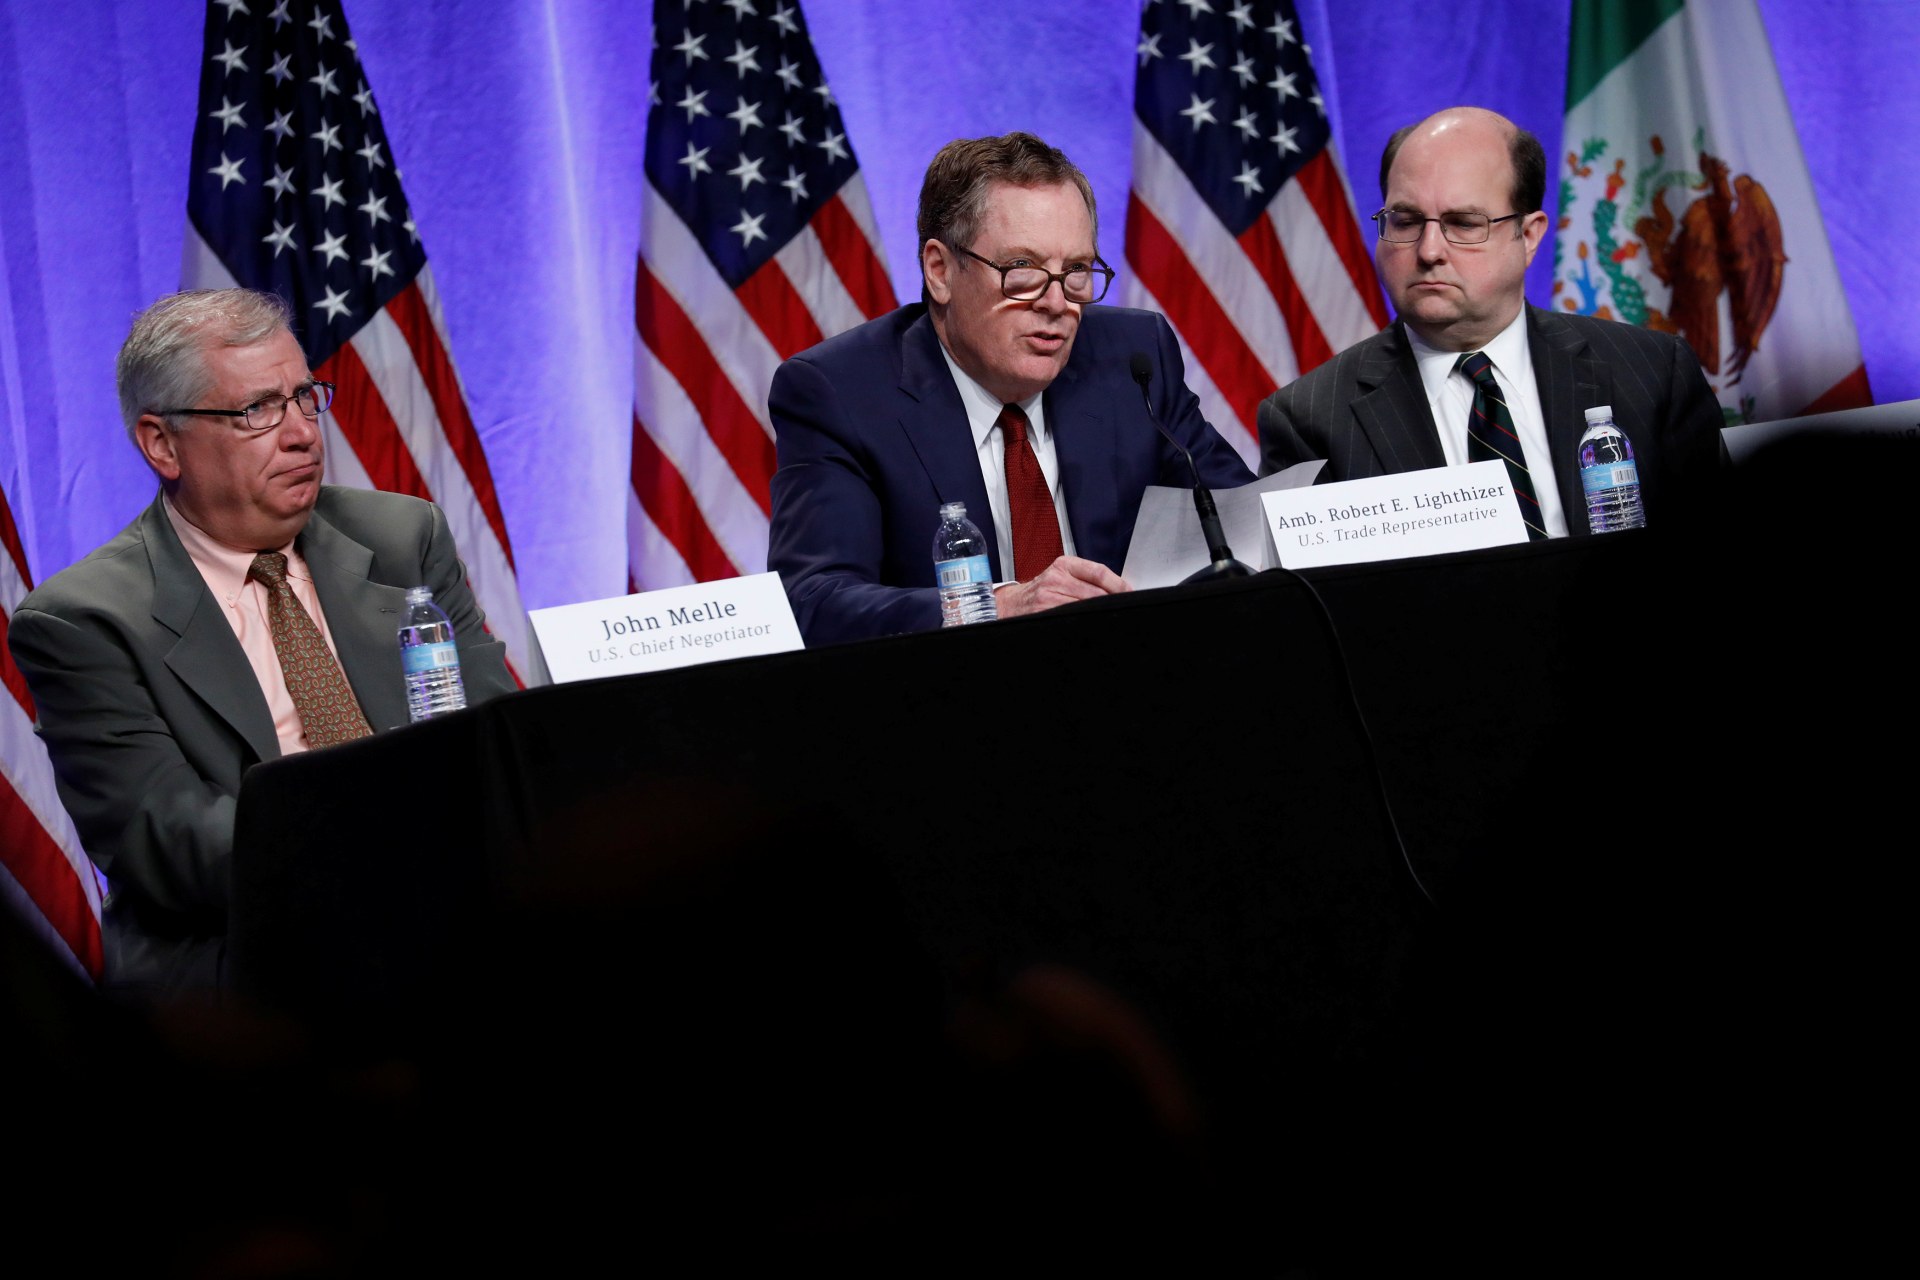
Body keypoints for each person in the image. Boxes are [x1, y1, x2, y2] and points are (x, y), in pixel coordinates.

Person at [7, 289, 516, 992]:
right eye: (256, 411)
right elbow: (171, 840)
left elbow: (497, 734)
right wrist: (401, 857)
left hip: (454, 918)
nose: (304, 432)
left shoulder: (402, 538)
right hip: (255, 959)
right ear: (162, 443)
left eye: (306, 397)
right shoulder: (83, 620)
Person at [767, 131, 1253, 645]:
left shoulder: (1131, 358)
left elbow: (1240, 521)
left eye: (1076, 271)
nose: (1057, 302)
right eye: (1022, 269)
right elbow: (813, 600)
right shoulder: (841, 393)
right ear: (940, 270)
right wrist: (999, 606)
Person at [1258, 107, 1725, 536]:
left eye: (1463, 223)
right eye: (1405, 221)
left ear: (1529, 236)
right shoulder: (1310, 420)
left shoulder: (1652, 373)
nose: (1429, 251)